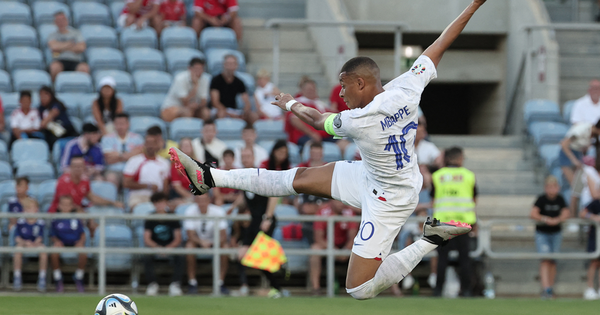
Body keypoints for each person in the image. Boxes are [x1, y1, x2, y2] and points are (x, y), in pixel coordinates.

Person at [170, 0, 485, 300]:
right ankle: (209, 176)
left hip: (392, 199)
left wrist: (291, 103)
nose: (342, 94)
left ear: (361, 83)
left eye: (345, 86)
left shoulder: (359, 119)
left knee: (359, 290)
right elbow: (440, 44)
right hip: (368, 174)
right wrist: (473, 6)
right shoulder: (407, 86)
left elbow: (318, 119)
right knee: (296, 178)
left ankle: (430, 239)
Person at [227, 147, 283, 298]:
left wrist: (268, 217)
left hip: (265, 221)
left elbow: (274, 196)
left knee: (260, 257)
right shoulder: (244, 177)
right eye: (243, 156)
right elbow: (244, 196)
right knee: (242, 254)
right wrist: (232, 207)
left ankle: (277, 289)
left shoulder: (260, 175)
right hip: (254, 221)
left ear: (253, 157)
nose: (245, 158)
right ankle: (245, 287)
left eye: (247, 156)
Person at [431, 147, 477, 297]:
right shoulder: (469, 176)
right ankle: (467, 290)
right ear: (459, 158)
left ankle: (438, 291)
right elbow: (474, 199)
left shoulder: (438, 176)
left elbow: (433, 199)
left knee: (442, 259)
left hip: (442, 223)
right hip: (463, 223)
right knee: (464, 259)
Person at [530, 175, 570, 299]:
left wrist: (557, 220)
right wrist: (546, 219)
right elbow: (533, 213)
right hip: (543, 233)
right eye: (549, 187)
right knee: (545, 259)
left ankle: (550, 288)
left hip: (556, 233)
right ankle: (545, 288)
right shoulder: (541, 199)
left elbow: (566, 212)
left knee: (553, 260)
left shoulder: (560, 199)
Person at [310, 200, 359, 295]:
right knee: (315, 249)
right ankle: (316, 289)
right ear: (331, 201)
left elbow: (353, 237)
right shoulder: (322, 212)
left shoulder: (349, 212)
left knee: (363, 249)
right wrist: (334, 250)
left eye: (342, 201)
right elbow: (318, 238)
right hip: (327, 246)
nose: (341, 204)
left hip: (345, 247)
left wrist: (345, 251)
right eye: (338, 201)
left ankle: (359, 289)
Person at [183, 193, 229, 294]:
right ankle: (192, 282)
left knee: (225, 247)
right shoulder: (190, 211)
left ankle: (220, 282)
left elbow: (223, 235)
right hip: (197, 242)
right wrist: (201, 242)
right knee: (189, 246)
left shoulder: (218, 211)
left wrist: (212, 243)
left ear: (209, 200)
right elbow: (190, 235)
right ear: (195, 200)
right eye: (199, 200)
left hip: (215, 241)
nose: (202, 203)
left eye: (204, 200)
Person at [48, 155, 122, 213]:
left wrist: (112, 203)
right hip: (59, 214)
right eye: (75, 166)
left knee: (93, 224)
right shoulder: (63, 181)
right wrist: (83, 213)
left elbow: (92, 197)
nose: (78, 169)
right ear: (70, 167)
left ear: (84, 167)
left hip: (76, 212)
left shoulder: (85, 181)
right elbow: (65, 205)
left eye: (80, 166)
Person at [143, 192, 184, 296]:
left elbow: (178, 238)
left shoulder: (173, 217)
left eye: (162, 202)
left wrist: (168, 248)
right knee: (146, 256)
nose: (160, 205)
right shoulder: (150, 218)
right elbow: (147, 239)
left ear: (166, 203)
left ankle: (175, 284)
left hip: (171, 246)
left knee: (181, 256)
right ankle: (152, 284)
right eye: (157, 203)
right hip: (155, 246)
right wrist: (157, 248)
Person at [123, 126, 171, 209]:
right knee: (137, 208)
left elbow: (165, 187)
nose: (150, 146)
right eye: (148, 143)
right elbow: (126, 183)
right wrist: (148, 186)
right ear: (144, 145)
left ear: (157, 145)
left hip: (157, 197)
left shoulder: (164, 163)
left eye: (153, 144)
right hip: (138, 195)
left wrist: (163, 199)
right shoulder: (134, 161)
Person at [50, 195, 87, 293]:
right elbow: (52, 235)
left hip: (75, 244)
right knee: (54, 251)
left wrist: (80, 242)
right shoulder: (55, 219)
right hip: (61, 244)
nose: (66, 207)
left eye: (68, 205)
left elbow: (83, 233)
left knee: (83, 251)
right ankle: (57, 278)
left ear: (72, 206)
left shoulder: (76, 219)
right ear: (59, 206)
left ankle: (79, 277)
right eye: (63, 204)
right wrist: (57, 241)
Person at [13, 198, 47, 292]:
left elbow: (40, 237)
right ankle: (17, 276)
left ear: (36, 209)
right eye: (27, 209)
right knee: (17, 249)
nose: (29, 211)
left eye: (31, 208)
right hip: (24, 244)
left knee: (43, 250)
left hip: (36, 244)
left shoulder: (40, 222)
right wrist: (24, 243)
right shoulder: (21, 222)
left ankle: (42, 277)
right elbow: (17, 237)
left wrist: (35, 243)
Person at [285, 81, 332, 149]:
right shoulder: (296, 104)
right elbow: (294, 119)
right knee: (314, 146)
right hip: (305, 135)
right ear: (302, 90)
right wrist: (312, 134)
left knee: (344, 144)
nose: (311, 91)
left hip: (325, 135)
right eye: (309, 89)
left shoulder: (320, 104)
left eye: (313, 89)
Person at [161, 58, 211, 122]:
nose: (198, 72)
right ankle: (188, 129)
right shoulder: (180, 79)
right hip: (173, 107)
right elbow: (185, 102)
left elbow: (204, 100)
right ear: (190, 68)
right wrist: (195, 86)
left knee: (206, 113)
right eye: (196, 69)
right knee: (187, 112)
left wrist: (198, 106)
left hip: (194, 108)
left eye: (201, 69)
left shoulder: (205, 80)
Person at [100, 113, 144, 183]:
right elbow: (108, 159)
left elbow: (139, 156)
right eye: (117, 124)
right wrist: (130, 154)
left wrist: (118, 155)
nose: (120, 127)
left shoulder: (137, 138)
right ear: (114, 124)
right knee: (111, 178)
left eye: (122, 124)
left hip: (133, 170)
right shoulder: (107, 138)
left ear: (128, 124)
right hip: (114, 170)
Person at [210, 55, 255, 122]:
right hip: (219, 109)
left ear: (236, 66)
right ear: (224, 65)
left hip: (233, 109)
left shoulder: (239, 82)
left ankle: (248, 131)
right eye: (228, 64)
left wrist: (245, 110)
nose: (230, 66)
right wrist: (228, 113)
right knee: (221, 114)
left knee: (252, 116)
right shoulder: (216, 80)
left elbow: (246, 101)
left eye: (233, 64)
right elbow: (215, 102)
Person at [47, 12, 88, 82]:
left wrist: (61, 46)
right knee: (54, 68)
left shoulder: (76, 33)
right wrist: (70, 44)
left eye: (63, 20)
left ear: (67, 20)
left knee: (84, 68)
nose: (61, 23)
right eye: (58, 21)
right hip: (59, 60)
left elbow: (81, 47)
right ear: (55, 22)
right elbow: (54, 47)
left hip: (75, 60)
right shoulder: (52, 35)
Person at [560, 121, 600, 185]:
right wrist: (574, 160)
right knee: (575, 185)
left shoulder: (594, 136)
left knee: (579, 185)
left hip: (578, 153)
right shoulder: (582, 130)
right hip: (567, 154)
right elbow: (564, 144)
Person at [580, 198, 600, 300]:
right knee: (593, 262)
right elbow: (582, 213)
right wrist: (593, 217)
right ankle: (590, 288)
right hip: (595, 237)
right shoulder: (595, 203)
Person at [416, 116, 443, 189]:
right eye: (419, 132)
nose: (422, 134)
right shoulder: (405, 147)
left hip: (424, 177)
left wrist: (428, 167)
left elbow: (439, 160)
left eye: (422, 131)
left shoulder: (428, 146)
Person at [169, 138, 195, 206]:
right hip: (180, 195)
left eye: (188, 146)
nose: (186, 148)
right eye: (184, 146)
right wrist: (191, 197)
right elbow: (177, 187)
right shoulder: (175, 166)